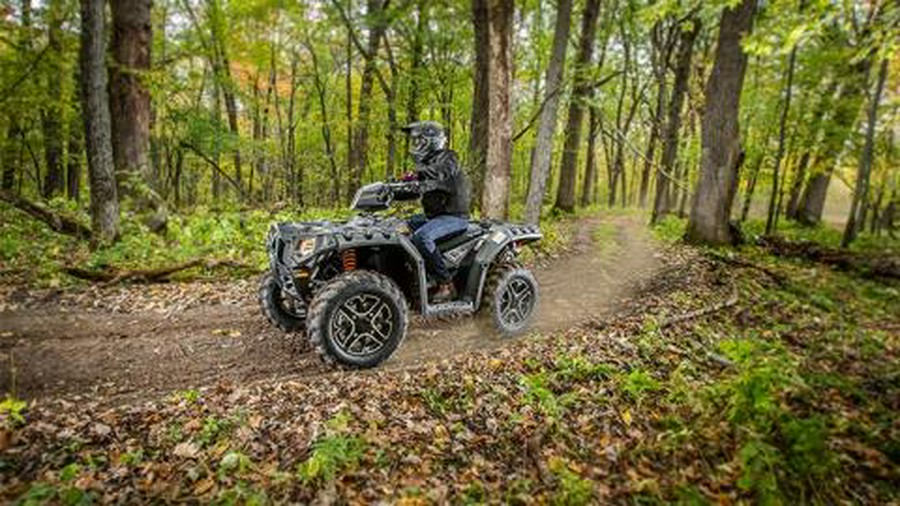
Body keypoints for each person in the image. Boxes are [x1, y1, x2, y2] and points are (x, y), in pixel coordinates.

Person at [400, 121, 470, 302]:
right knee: (398, 227)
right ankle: (412, 277)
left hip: (454, 217)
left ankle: (446, 284)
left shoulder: (448, 158)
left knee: (422, 237)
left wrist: (418, 174)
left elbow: (442, 172)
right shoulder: (426, 164)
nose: (415, 145)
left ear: (431, 141)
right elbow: (418, 188)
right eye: (414, 141)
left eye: (419, 140)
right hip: (434, 217)